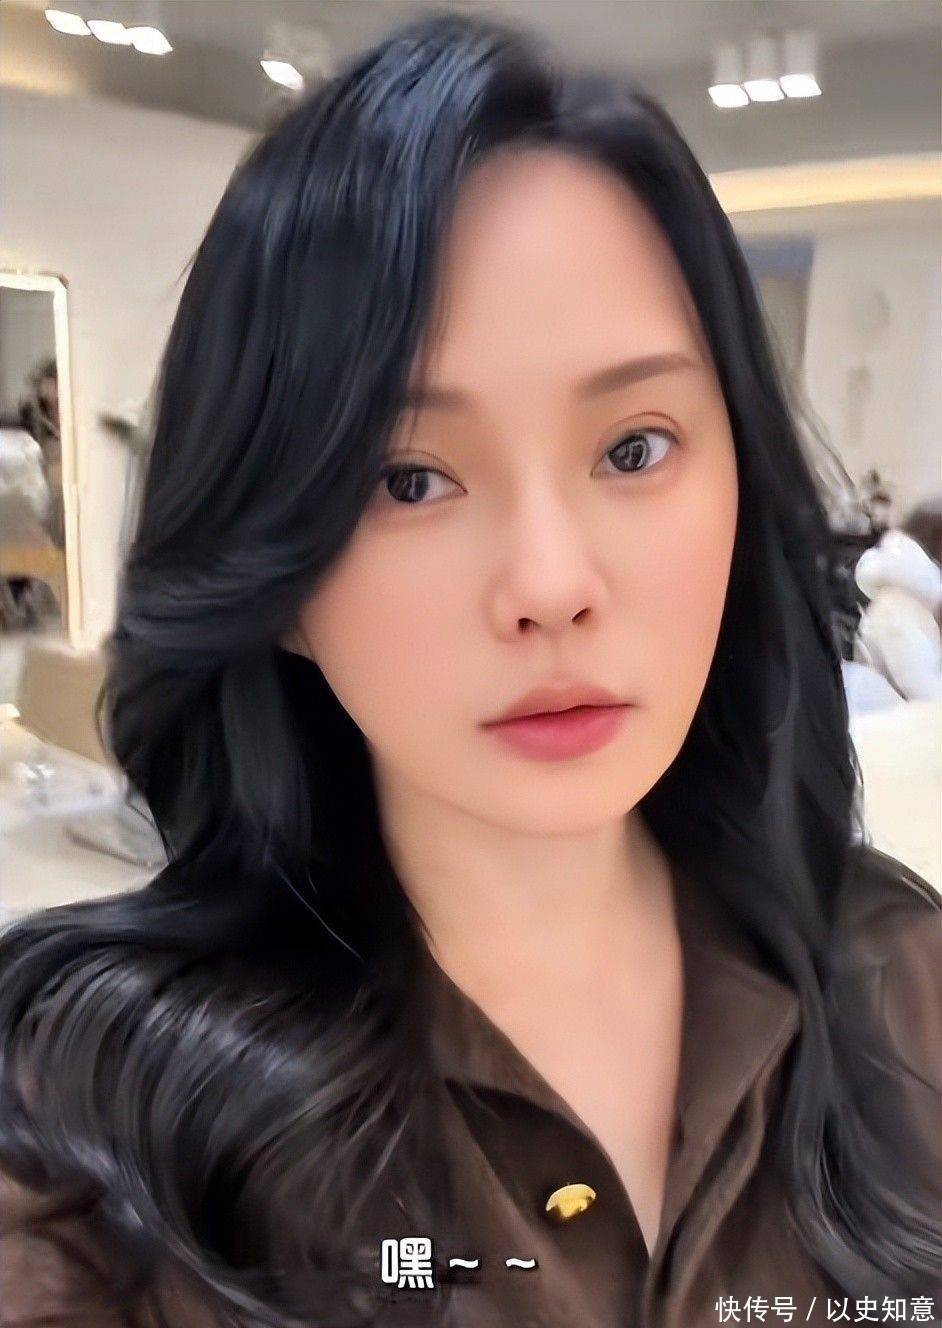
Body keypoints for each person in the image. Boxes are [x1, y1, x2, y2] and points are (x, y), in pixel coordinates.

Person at [0, 11, 939, 1328]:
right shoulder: (97, 1128)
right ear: (278, 571)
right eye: (410, 479)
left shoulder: (900, 981)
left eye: (633, 449)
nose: (550, 584)